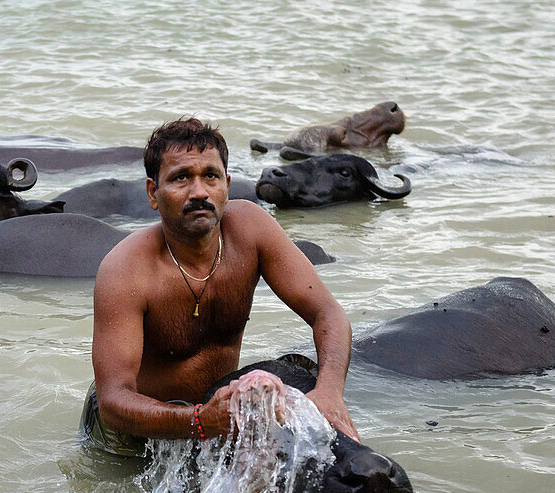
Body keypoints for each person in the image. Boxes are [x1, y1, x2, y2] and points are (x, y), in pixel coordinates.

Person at [81, 117, 359, 457]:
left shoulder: (252, 229)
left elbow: (327, 313)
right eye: (181, 178)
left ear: (226, 184)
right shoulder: (125, 269)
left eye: (210, 176)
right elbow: (113, 400)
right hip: (132, 431)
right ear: (154, 193)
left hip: (215, 415)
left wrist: (329, 394)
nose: (199, 192)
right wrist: (201, 421)